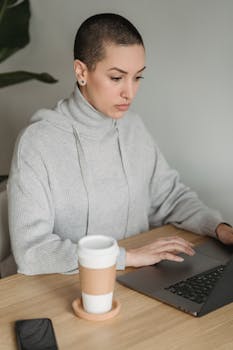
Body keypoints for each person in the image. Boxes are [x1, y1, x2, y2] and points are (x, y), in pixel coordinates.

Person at [7, 13, 233, 275]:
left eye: (138, 77)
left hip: (135, 280)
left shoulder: (132, 127)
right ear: (81, 71)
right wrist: (126, 257)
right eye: (116, 78)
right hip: (69, 289)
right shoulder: (37, 143)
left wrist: (219, 228)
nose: (130, 92)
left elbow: (169, 197)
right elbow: (32, 252)